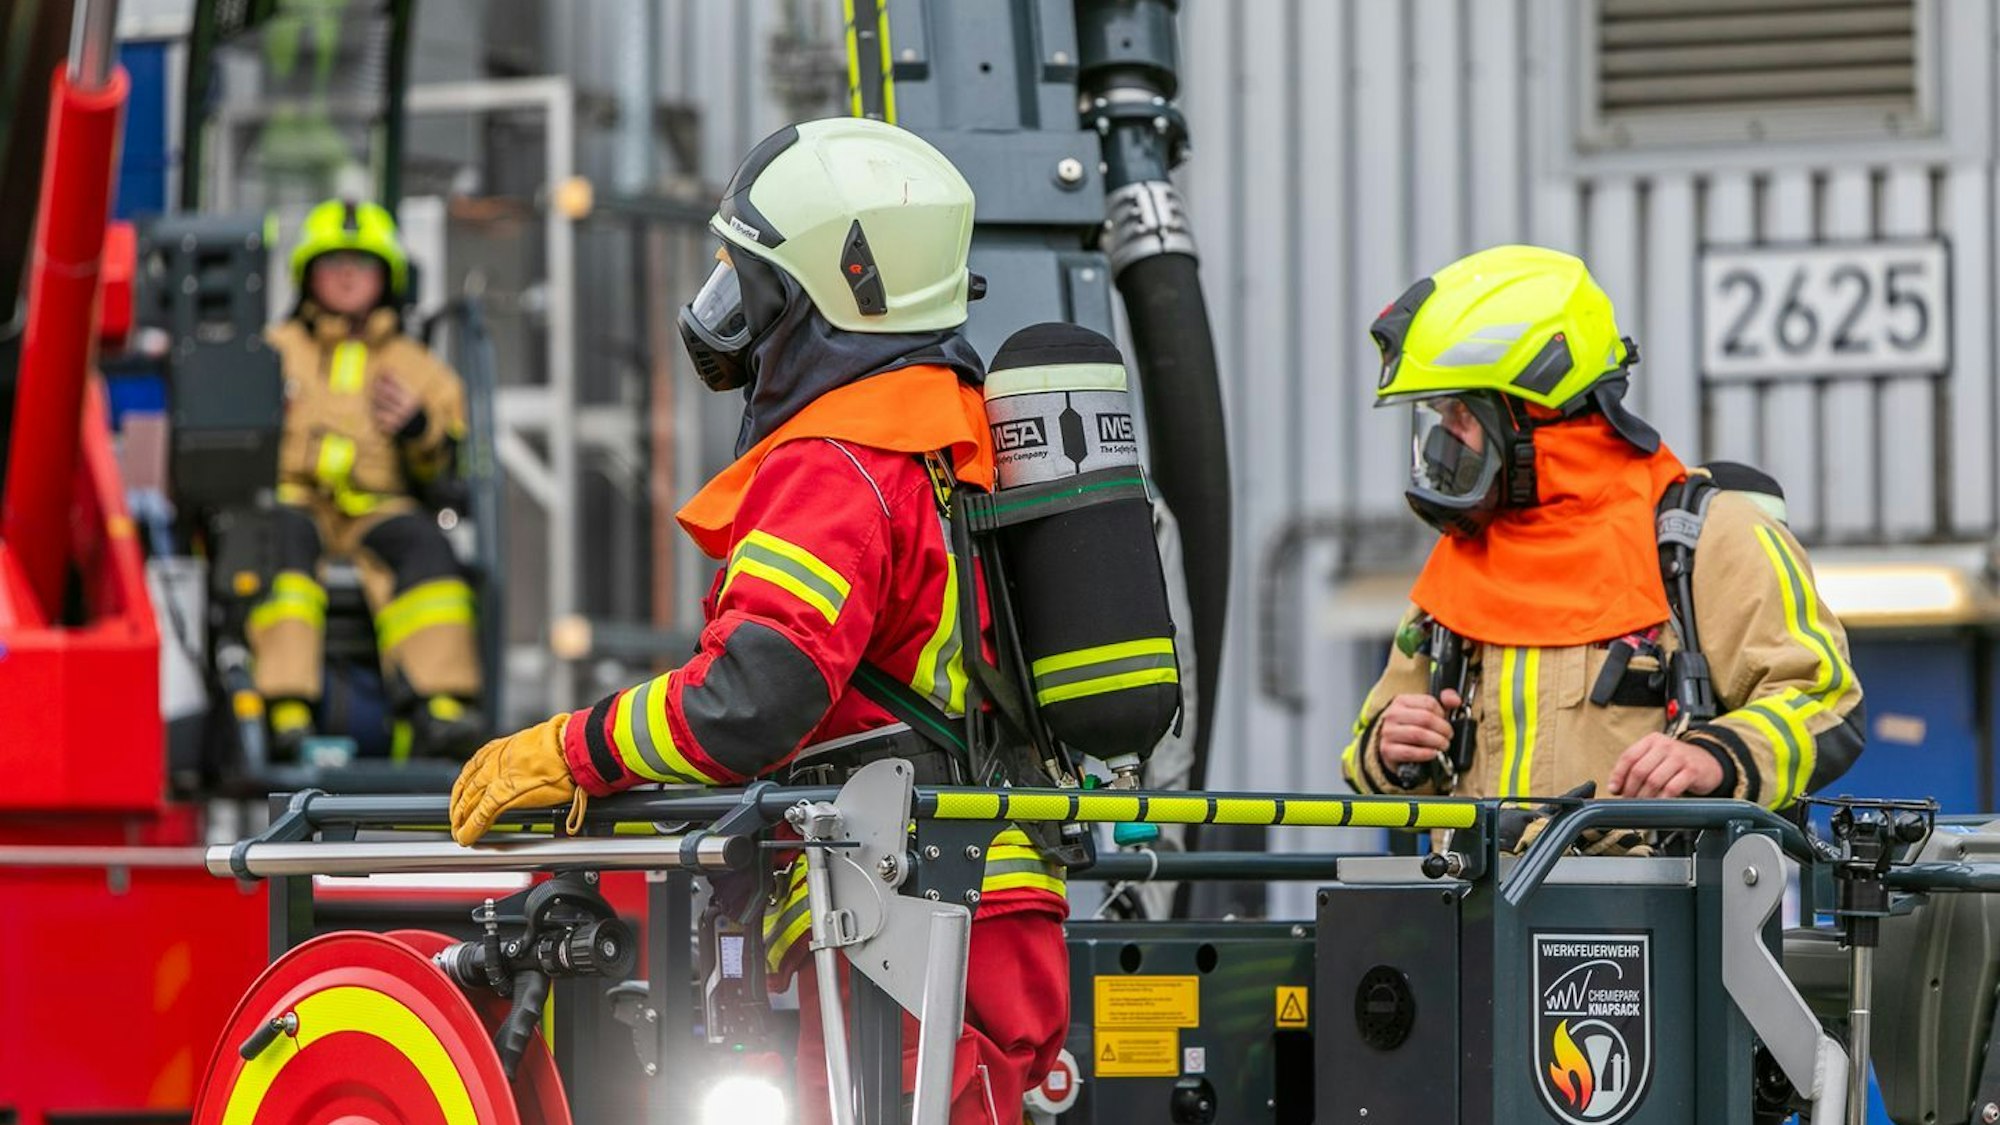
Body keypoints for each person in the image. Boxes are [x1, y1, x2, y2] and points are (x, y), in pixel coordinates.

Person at [447, 118, 1068, 1124]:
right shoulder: (949, 447)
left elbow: (752, 696)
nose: (725, 311)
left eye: (750, 280)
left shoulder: (837, 464)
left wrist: (573, 750)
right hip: (992, 902)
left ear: (832, 289)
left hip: (892, 923)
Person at [1342, 245, 1863, 814]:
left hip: (1643, 902)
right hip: (1473, 900)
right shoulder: (1459, 565)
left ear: (1532, 410)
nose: (1444, 442)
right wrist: (1387, 750)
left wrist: (1717, 757)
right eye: (1439, 418)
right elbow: (1369, 757)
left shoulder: (1709, 537)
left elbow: (1824, 700)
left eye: (1460, 413)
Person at [250, 199, 484, 759]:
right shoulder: (272, 352)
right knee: (279, 541)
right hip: (294, 502)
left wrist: (418, 428)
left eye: (363, 263)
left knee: (424, 546)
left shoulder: (419, 366)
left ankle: (440, 707)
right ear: (307, 275)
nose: (348, 275)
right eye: (333, 263)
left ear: (389, 278)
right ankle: (286, 710)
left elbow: (448, 470)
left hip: (380, 508)